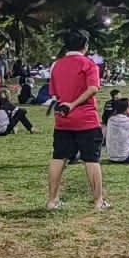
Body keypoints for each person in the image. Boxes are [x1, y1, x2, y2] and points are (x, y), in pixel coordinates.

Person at [45, 30, 108, 211]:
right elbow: (93, 88)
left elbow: (54, 93)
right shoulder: (88, 64)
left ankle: (52, 200)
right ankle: (98, 201)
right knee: (92, 160)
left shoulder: (57, 65)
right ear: (85, 45)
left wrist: (68, 104)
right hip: (86, 119)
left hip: (63, 120)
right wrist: (73, 104)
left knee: (58, 157)